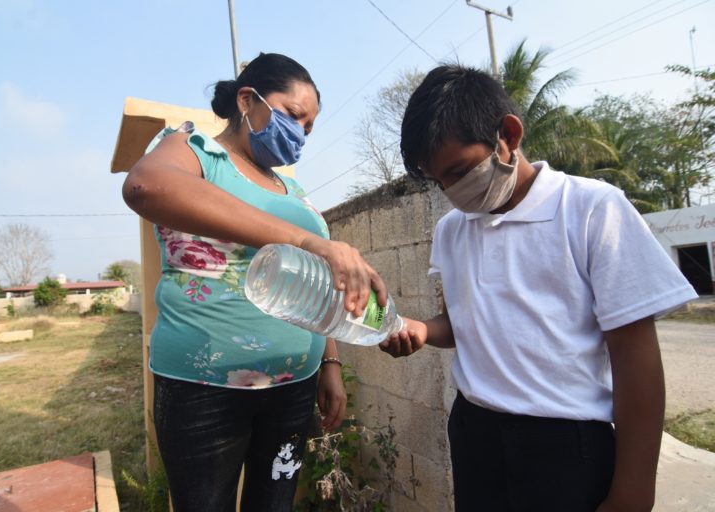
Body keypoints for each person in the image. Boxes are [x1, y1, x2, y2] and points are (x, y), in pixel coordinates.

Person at [380, 64, 698, 512]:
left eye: (460, 170)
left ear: (507, 134)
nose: (453, 191)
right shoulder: (452, 230)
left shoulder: (591, 209)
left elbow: (635, 356)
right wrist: (422, 329)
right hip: (475, 433)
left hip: (565, 445)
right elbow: (462, 321)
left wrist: (634, 489)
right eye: (439, 182)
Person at [122, 52, 387, 512]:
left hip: (293, 383)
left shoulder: (294, 194)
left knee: (274, 504)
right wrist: (306, 240)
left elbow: (318, 285)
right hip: (204, 386)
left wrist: (330, 363)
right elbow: (144, 185)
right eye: (293, 116)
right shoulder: (194, 150)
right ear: (248, 99)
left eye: (308, 129)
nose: (301, 135)